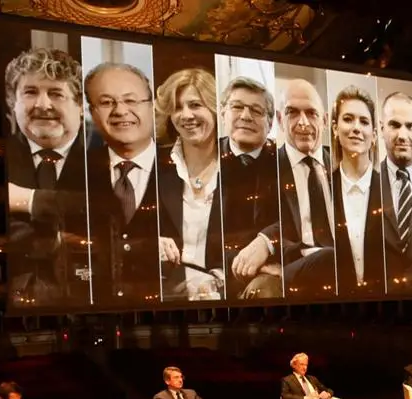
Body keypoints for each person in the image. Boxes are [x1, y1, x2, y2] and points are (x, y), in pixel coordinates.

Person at [4, 47, 89, 306]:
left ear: (81, 106)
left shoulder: (105, 154)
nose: (43, 104)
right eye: (30, 92)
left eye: (56, 93)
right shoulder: (1, 154)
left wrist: (26, 200)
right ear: (12, 103)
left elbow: (106, 208)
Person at [83, 61, 161, 307]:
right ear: (92, 112)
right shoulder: (78, 171)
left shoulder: (185, 166)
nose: (120, 111)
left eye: (131, 100)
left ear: (153, 106)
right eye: (106, 102)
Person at [154, 68, 225, 302]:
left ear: (215, 109)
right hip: (169, 289)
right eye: (177, 107)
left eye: (195, 105)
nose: (186, 115)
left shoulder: (238, 165)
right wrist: (153, 239)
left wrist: (220, 276)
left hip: (224, 290)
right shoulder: (155, 165)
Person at [266, 79, 337, 298]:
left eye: (312, 113)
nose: (303, 122)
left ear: (324, 120)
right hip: (291, 266)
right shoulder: (267, 169)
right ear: (279, 119)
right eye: (292, 112)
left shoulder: (342, 168)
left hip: (341, 266)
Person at [217, 76, 283, 299]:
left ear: (271, 122)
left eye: (256, 110)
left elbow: (300, 220)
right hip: (214, 267)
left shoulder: (285, 163)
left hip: (267, 274)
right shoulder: (202, 159)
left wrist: (268, 242)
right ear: (222, 112)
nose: (246, 116)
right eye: (237, 107)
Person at [330, 85, 386, 296]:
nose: (356, 128)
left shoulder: (391, 190)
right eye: (348, 119)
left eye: (364, 121)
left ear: (373, 133)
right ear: (335, 128)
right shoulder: (322, 189)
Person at [379, 92, 412, 295]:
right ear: (381, 129)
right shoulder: (366, 185)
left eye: (410, 126)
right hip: (378, 305)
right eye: (394, 125)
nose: (402, 135)